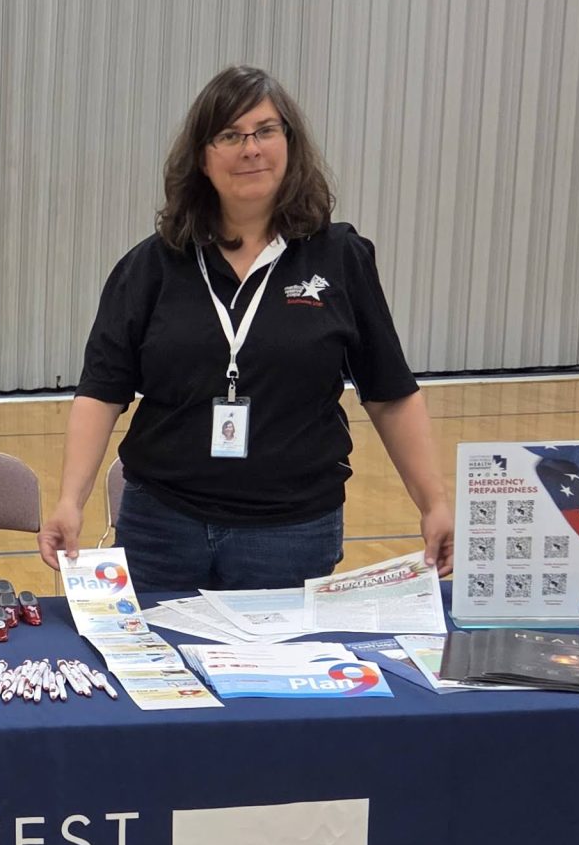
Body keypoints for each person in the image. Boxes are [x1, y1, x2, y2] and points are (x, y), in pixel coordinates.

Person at [37, 65, 451, 590]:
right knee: (159, 671)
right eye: (229, 135)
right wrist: (70, 502)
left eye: (265, 130)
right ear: (202, 159)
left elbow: (390, 393)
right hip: (163, 524)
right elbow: (100, 392)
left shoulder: (340, 259)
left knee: (277, 672)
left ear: (289, 144)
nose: (250, 148)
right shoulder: (151, 267)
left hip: (291, 531)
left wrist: (433, 503)